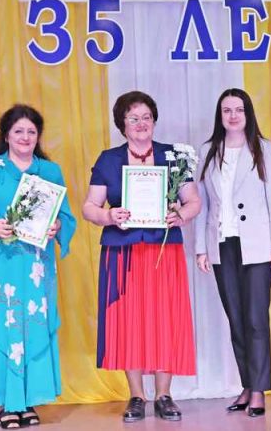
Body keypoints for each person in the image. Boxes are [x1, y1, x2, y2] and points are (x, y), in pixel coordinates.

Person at [82, 90, 201, 423]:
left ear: (154, 121)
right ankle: (136, 396)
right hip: (123, 251)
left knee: (166, 318)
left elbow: (193, 201)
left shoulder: (174, 156)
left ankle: (164, 395)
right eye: (133, 118)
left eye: (146, 117)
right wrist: (108, 216)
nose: (140, 123)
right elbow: (90, 207)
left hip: (164, 251)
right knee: (128, 321)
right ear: (122, 123)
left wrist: (181, 215)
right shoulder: (108, 159)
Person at [0, 104, 77, 429]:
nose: (25, 137)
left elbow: (66, 216)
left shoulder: (50, 172)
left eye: (31, 132)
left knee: (32, 326)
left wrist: (56, 227)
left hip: (35, 266)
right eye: (18, 131)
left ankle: (27, 400)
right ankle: (6, 402)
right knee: (2, 325)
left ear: (38, 136)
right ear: (6, 135)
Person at [194, 89, 271, 418]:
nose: (233, 116)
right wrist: (201, 248)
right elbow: (202, 203)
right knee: (236, 318)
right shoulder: (207, 151)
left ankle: (259, 389)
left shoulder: (263, 149)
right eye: (227, 110)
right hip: (222, 243)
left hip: (257, 245)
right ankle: (247, 385)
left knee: (256, 318)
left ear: (248, 114)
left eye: (238, 110)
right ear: (219, 116)